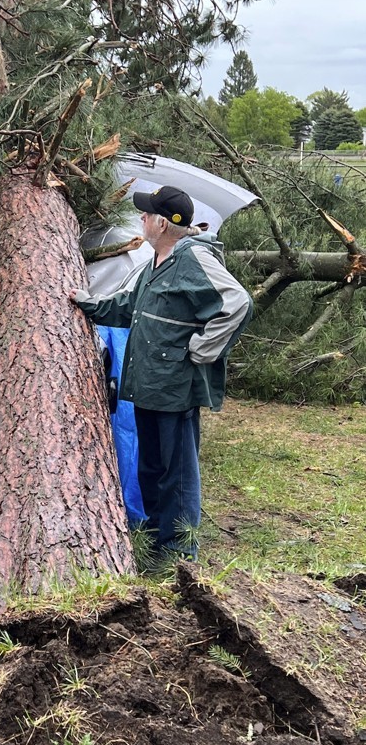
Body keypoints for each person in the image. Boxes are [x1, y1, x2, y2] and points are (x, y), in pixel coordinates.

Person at [70, 185, 253, 566]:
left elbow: (236, 303)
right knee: (151, 468)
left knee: (177, 473)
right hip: (148, 385)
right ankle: (155, 540)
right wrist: (87, 304)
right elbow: (128, 307)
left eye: (147, 213)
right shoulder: (155, 261)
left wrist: (203, 349)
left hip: (175, 388)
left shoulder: (193, 257)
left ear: (164, 223)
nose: (141, 218)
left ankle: (178, 553)